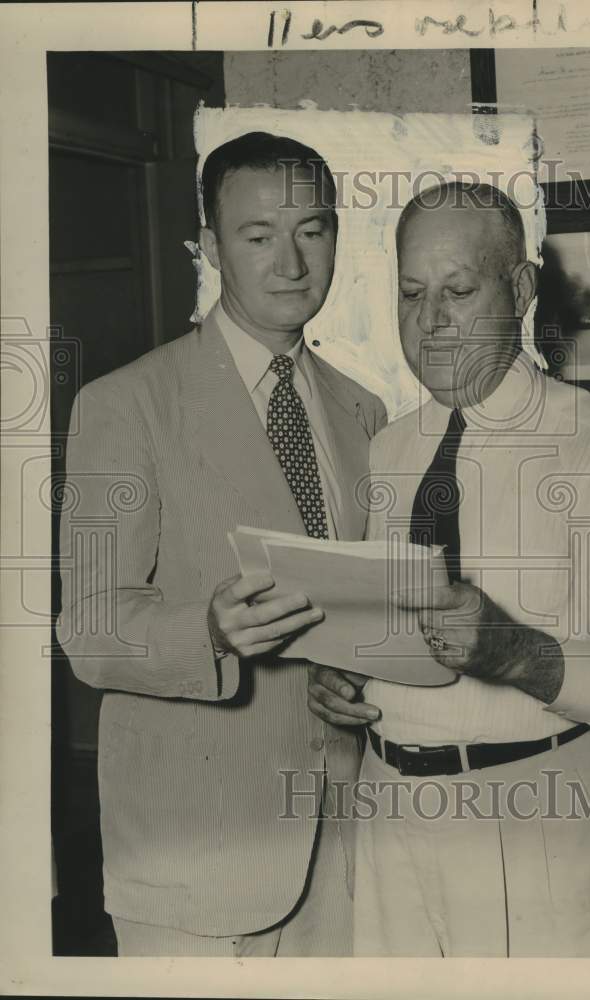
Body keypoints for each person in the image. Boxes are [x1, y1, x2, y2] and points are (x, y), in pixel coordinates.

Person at [307, 181, 590, 957]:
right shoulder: (388, 451)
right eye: (412, 293)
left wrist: (518, 652)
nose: (431, 323)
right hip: (388, 827)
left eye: (459, 290)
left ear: (519, 289)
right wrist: (341, 675)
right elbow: (381, 631)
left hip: (540, 827)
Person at [56, 131, 386, 956]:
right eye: (257, 235)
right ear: (209, 248)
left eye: (312, 230)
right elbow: (89, 630)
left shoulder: (363, 413)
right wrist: (202, 631)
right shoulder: (126, 404)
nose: (291, 262)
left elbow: (352, 610)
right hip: (193, 858)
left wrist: (359, 671)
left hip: (345, 846)